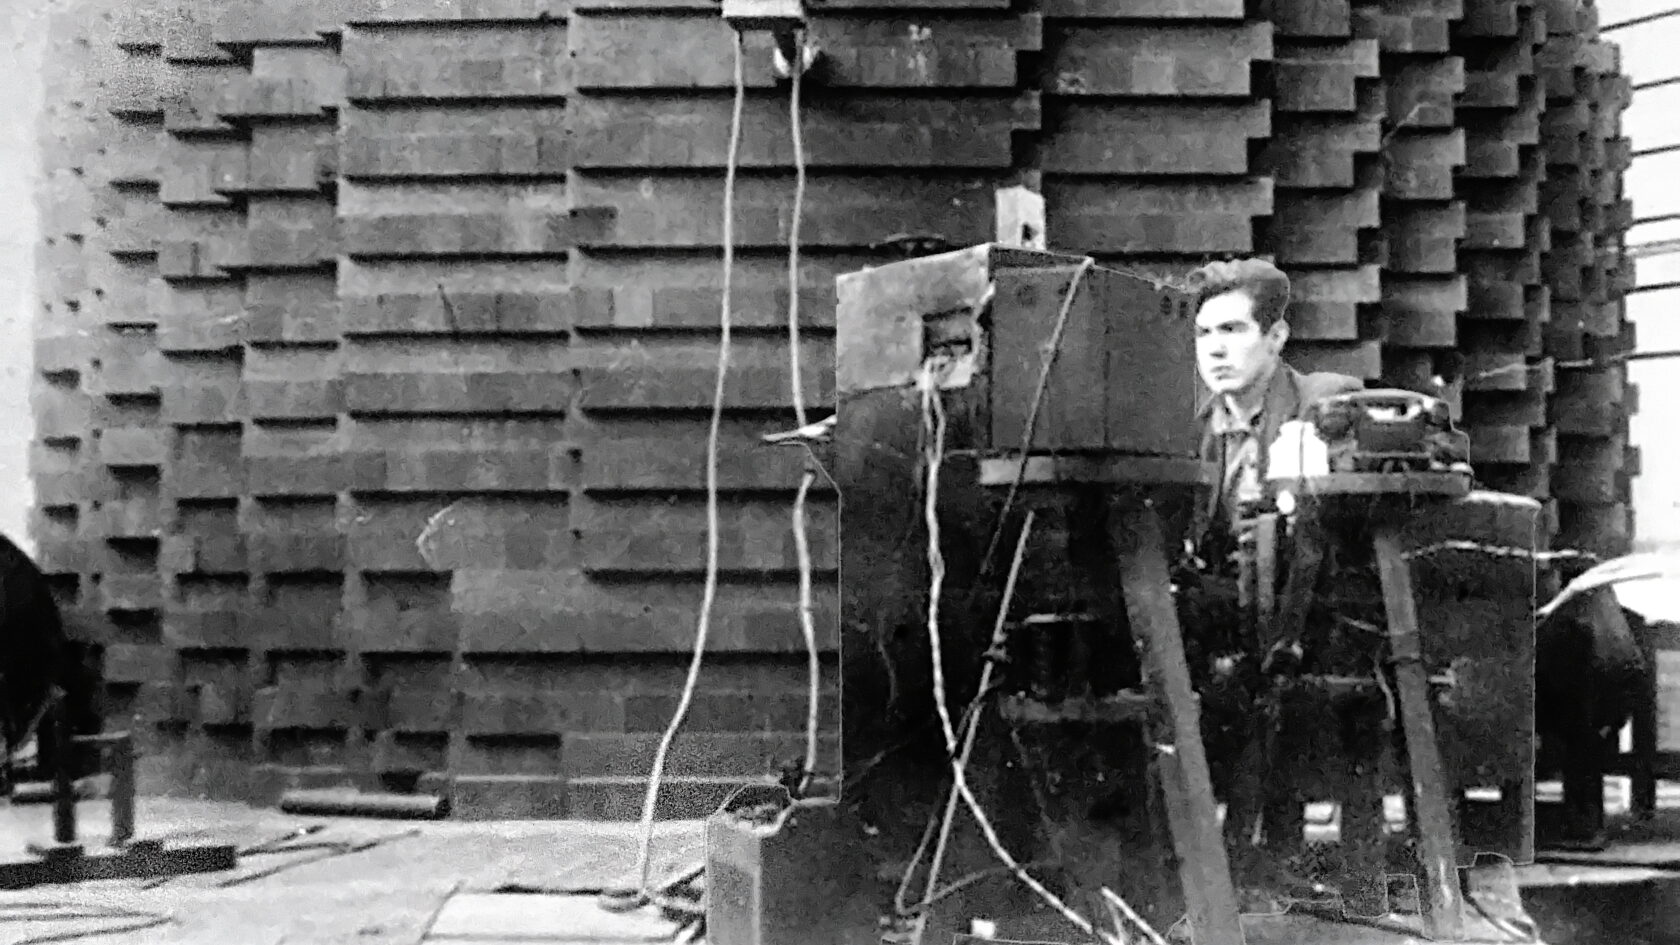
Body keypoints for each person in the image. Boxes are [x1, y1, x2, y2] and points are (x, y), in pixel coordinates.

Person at [1188, 258, 1365, 569]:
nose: (1215, 349)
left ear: (1276, 336)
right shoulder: (1190, 427)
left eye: (1231, 329)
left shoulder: (1325, 405)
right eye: (1204, 333)